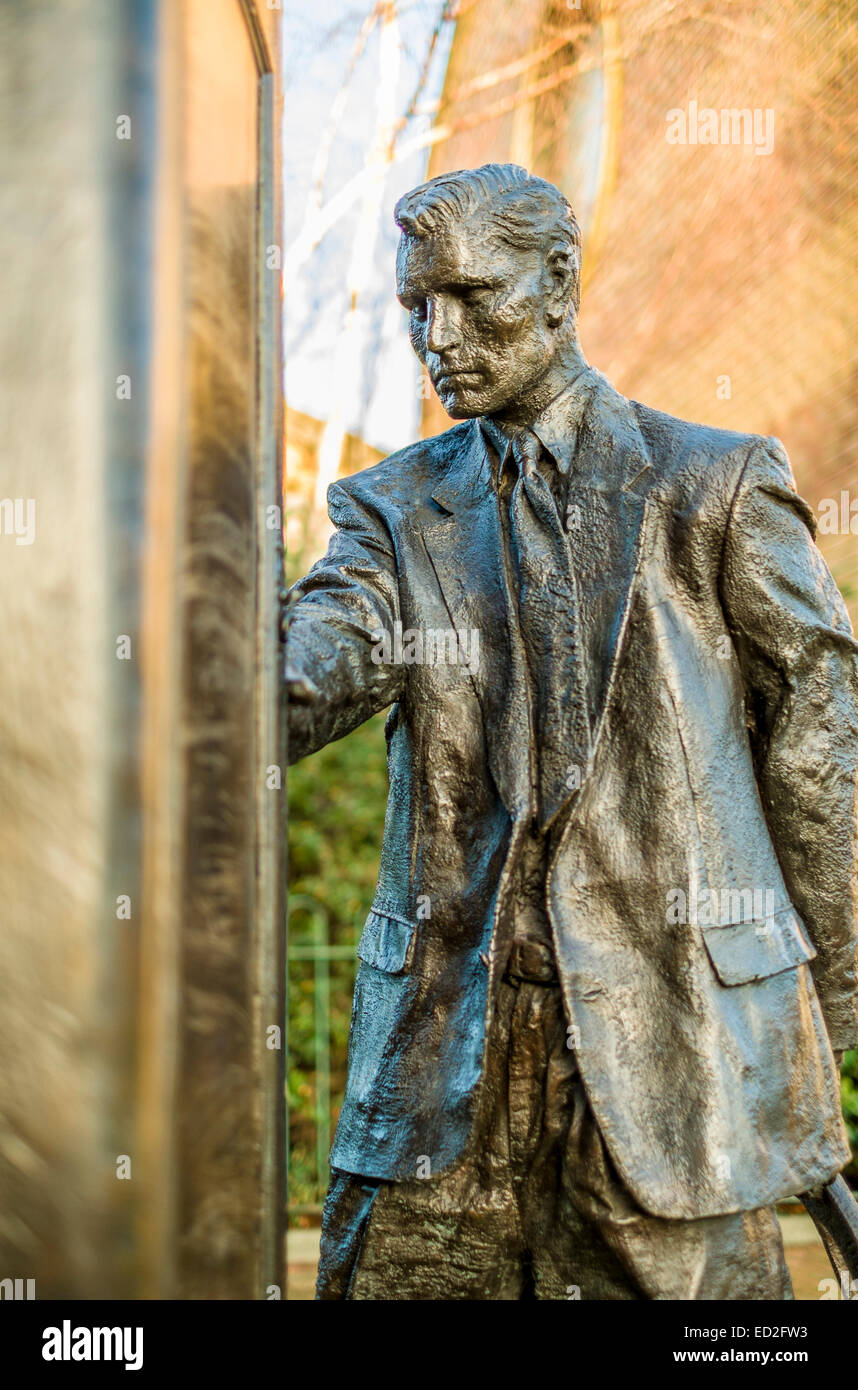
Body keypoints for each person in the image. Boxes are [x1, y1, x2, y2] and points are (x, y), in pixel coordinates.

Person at [285, 164, 858, 1299]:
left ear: (556, 285)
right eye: (414, 307)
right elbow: (310, 677)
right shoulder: (388, 512)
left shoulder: (715, 487)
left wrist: (822, 1009)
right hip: (441, 1074)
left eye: (467, 294)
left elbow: (821, 748)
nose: (435, 335)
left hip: (671, 1065)